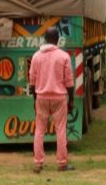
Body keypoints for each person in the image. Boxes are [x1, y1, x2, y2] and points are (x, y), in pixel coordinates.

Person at [29, 26, 75, 173]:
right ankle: (62, 163)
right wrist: (71, 100)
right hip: (59, 98)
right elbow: (69, 81)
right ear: (57, 39)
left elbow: (32, 81)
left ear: (45, 39)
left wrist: (35, 99)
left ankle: (38, 163)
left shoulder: (36, 56)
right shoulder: (64, 56)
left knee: (39, 130)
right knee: (60, 130)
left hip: (41, 97)